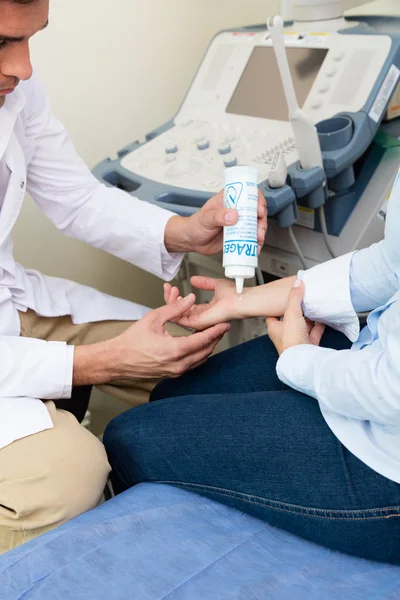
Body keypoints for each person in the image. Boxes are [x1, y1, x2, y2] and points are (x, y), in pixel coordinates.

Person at [0, 0, 268, 553]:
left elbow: (74, 195)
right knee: (67, 475)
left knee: (185, 351)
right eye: (1, 43)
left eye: (32, 39)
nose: (25, 67)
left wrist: (186, 231)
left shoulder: (16, 87)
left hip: (11, 306)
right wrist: (99, 362)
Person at [104, 168, 400, 564]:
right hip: (377, 357)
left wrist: (299, 360)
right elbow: (390, 264)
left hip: (386, 455)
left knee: (128, 437)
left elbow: (390, 390)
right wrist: (242, 301)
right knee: (170, 393)